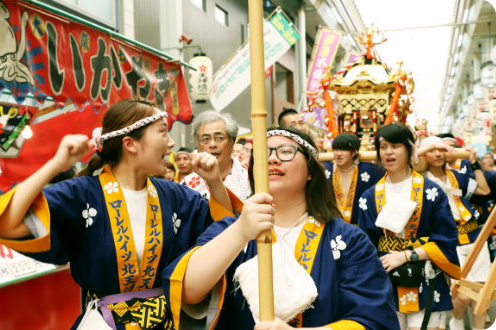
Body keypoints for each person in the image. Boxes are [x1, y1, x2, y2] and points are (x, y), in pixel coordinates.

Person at [0, 98, 238, 330]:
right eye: (163, 132)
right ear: (131, 144)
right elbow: (7, 223)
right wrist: (55, 165)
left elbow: (225, 234)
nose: (171, 143)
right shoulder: (82, 194)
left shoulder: (174, 195)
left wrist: (214, 181)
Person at [164, 126, 400, 330]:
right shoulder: (232, 230)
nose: (272, 159)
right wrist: (241, 232)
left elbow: (373, 320)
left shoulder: (347, 238)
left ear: (310, 171)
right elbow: (186, 291)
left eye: (286, 152)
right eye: (263, 154)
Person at [359, 124, 461, 330]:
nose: (388, 152)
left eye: (395, 146)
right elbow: (364, 244)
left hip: (426, 275)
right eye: (383, 146)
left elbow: (446, 238)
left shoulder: (431, 191)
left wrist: (406, 255)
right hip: (387, 281)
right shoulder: (368, 197)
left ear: (409, 149)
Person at [417, 137, 492, 330]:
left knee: (482, 292)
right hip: (449, 240)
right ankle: (456, 321)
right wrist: (433, 145)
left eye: (441, 150)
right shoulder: (419, 179)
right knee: (463, 294)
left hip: (475, 236)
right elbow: (409, 158)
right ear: (424, 153)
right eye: (433, 150)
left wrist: (474, 162)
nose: (438, 153)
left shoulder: (456, 176)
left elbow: (484, 190)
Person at [183, 110, 251, 201]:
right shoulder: (187, 184)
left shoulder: (249, 179)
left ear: (232, 142)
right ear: (198, 145)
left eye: (219, 138)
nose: (212, 144)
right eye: (206, 139)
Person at [322, 133, 386, 225]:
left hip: (360, 227)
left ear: (354, 152)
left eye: (343, 149)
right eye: (336, 149)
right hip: (330, 226)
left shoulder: (368, 170)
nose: (338, 154)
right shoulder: (326, 169)